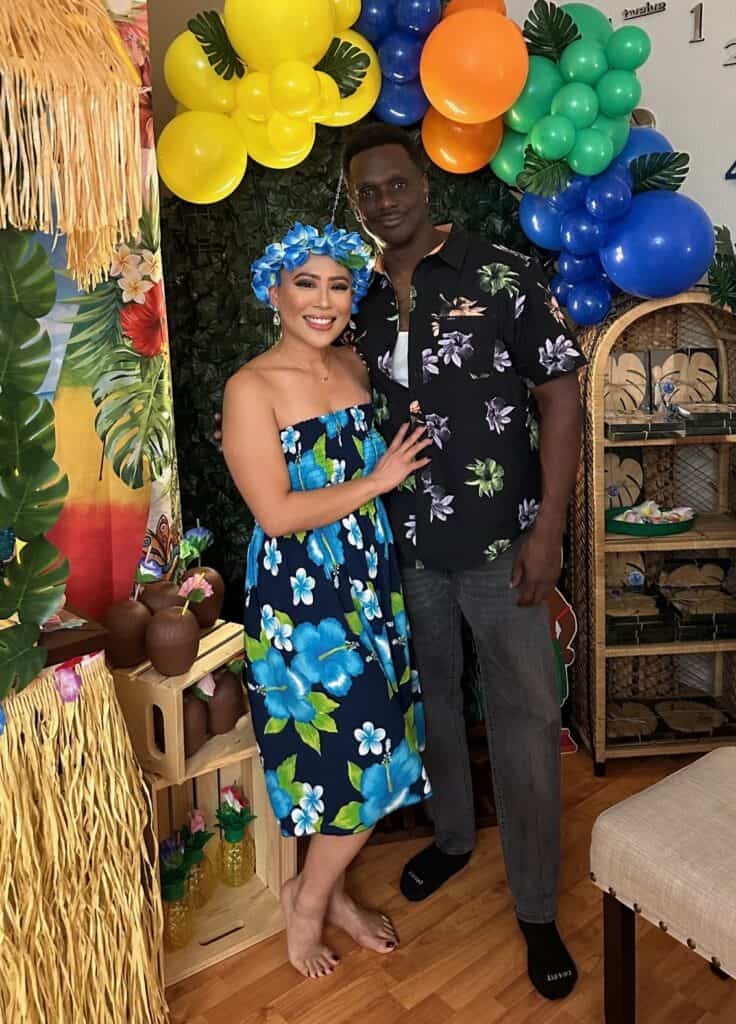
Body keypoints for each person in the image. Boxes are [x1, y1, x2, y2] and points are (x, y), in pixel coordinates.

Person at [340, 123, 585, 1002]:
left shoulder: (503, 273)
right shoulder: (355, 297)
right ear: (357, 202)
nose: (383, 200)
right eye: (366, 191)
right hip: (405, 546)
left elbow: (559, 398)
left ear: (425, 185)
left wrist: (550, 529)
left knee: (523, 715)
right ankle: (449, 835)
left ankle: (534, 907)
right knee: (431, 696)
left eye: (395, 184)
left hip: (503, 542)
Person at [221, 223, 433, 980]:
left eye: (338, 284)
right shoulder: (251, 387)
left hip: (369, 582)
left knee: (373, 749)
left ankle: (328, 890)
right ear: (272, 291)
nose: (323, 300)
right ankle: (307, 904)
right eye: (304, 283)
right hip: (302, 598)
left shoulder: (355, 365)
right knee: (360, 755)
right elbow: (276, 514)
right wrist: (379, 482)